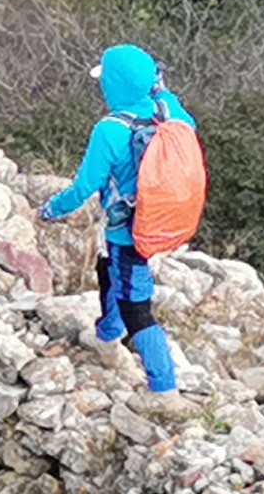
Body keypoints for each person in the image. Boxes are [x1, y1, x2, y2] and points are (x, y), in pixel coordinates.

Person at [38, 44, 198, 397]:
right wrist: (159, 88)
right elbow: (189, 125)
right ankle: (107, 334)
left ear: (113, 85)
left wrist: (50, 210)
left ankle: (164, 388)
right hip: (163, 218)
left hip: (129, 233)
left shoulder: (110, 130)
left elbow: (83, 188)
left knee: (136, 309)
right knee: (108, 269)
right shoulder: (167, 109)